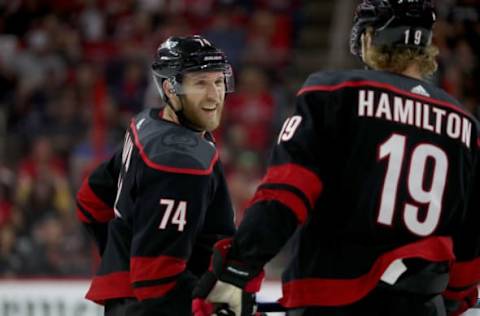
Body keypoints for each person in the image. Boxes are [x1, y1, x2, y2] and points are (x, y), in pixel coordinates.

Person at [192, 1, 480, 316]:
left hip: (332, 299)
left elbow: (286, 195)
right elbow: (468, 237)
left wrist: (238, 267)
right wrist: (453, 298)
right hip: (422, 303)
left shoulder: (335, 92)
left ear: (371, 38)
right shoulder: (465, 125)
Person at [76, 35, 236, 316]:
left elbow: (90, 199)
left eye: (218, 81)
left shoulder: (147, 124)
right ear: (170, 89)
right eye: (200, 83)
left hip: (131, 301)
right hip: (154, 306)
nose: (214, 95)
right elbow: (157, 278)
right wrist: (210, 303)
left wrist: (121, 260)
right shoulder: (179, 157)